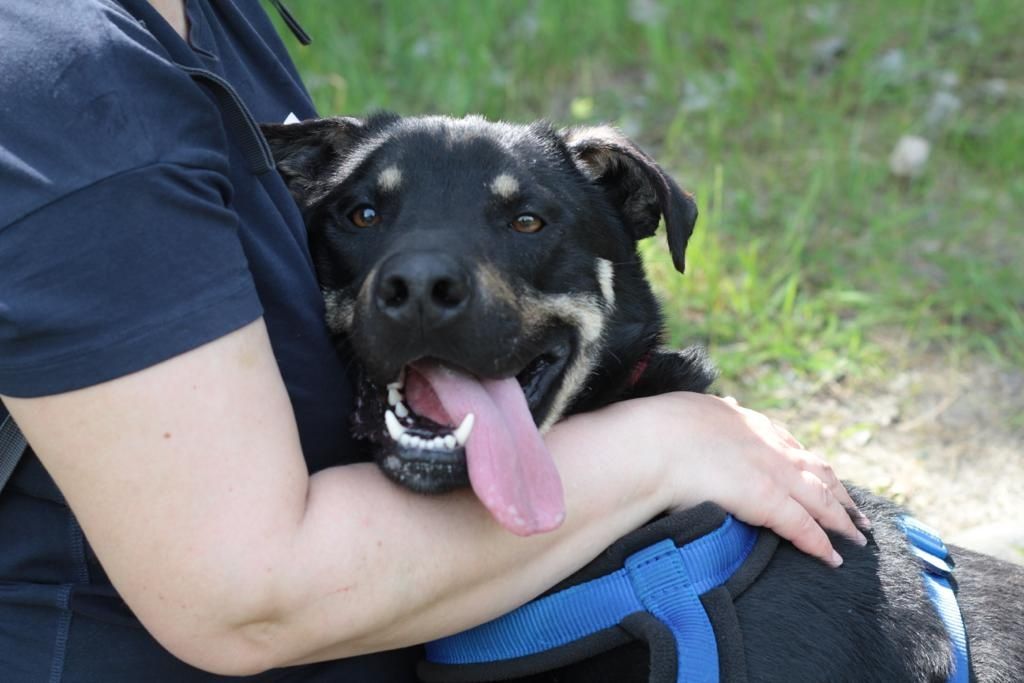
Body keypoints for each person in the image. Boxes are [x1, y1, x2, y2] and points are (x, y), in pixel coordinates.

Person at [0, 1, 869, 681]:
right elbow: (243, 598)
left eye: (527, 221)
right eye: (366, 214)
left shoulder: (207, 15)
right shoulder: (70, 94)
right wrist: (668, 440)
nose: (421, 278)